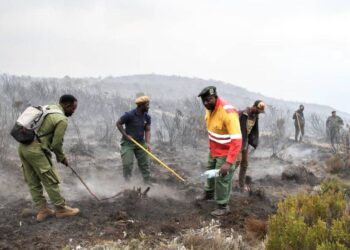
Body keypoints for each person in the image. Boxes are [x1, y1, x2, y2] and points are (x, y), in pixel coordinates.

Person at [18, 95, 80, 222]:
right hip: (36, 150)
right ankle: (61, 209)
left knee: (32, 181)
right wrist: (61, 158)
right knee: (50, 179)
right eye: (73, 108)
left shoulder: (48, 108)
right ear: (67, 106)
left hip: (23, 147)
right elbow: (56, 144)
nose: (74, 111)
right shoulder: (61, 119)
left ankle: (43, 210)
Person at [196, 86, 242, 216]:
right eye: (203, 100)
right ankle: (208, 193)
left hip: (226, 152)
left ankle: (223, 205)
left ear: (215, 97)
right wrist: (211, 148)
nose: (206, 103)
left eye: (209, 100)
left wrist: (228, 162)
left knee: (222, 177)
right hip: (214, 150)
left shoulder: (228, 113)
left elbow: (237, 140)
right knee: (210, 172)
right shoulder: (209, 109)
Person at [116, 96, 152, 183]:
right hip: (128, 143)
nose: (148, 107)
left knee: (145, 165)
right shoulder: (129, 115)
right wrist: (125, 135)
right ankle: (127, 183)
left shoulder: (147, 117)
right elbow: (118, 123)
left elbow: (147, 130)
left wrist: (147, 143)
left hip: (141, 142)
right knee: (127, 164)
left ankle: (147, 183)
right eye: (147, 105)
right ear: (141, 105)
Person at [236, 100, 265, 192]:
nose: (259, 113)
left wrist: (252, 141)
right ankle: (225, 182)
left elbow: (252, 130)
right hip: (237, 141)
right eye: (258, 111)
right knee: (236, 162)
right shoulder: (243, 114)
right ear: (254, 107)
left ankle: (241, 186)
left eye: (260, 112)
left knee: (244, 164)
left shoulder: (255, 116)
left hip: (245, 142)